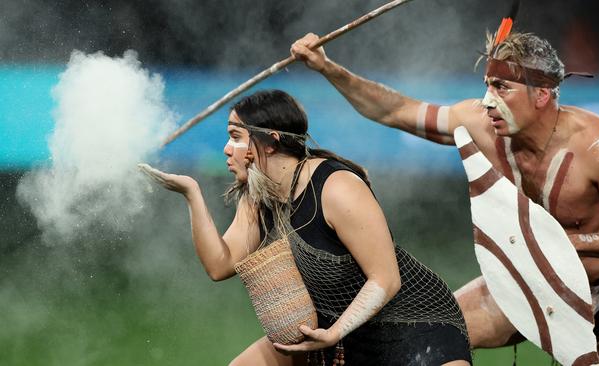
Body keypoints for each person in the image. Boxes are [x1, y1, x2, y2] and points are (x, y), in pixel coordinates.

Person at [290, 29, 599, 364]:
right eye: (488, 86)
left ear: (541, 94)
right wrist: (327, 67)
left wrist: (565, 242)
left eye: (502, 87)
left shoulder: (592, 141)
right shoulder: (479, 123)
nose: (488, 101)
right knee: (421, 336)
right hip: (525, 285)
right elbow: (394, 110)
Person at [140, 89, 471, 365]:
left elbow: (385, 279)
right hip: (336, 334)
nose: (227, 149)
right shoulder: (258, 196)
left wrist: (336, 332)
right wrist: (192, 194)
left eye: (236, 137)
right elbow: (219, 264)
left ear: (269, 143)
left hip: (412, 326)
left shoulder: (336, 187)